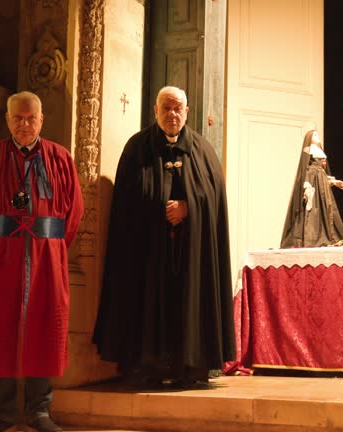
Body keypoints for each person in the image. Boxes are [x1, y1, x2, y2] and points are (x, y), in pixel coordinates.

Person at [92, 86, 235, 388]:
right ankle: (148, 366)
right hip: (148, 252)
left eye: (177, 108)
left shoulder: (203, 152)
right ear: (155, 111)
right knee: (148, 299)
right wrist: (158, 208)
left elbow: (213, 201)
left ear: (187, 111)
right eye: (166, 108)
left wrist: (188, 207)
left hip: (191, 253)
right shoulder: (136, 149)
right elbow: (126, 204)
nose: (172, 114)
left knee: (189, 299)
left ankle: (190, 367)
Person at [0, 91, 84, 432]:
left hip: (48, 258)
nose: (25, 124)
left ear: (42, 120)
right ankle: (1, 414)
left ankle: (38, 411)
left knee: (45, 328)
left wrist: (53, 248)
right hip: (0, 256)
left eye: (31, 117)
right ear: (7, 119)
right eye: (18, 117)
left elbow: (74, 212)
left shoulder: (60, 158)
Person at [281, 130, 343, 248]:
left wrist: (333, 181)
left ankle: (329, 237)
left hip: (321, 181)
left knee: (327, 207)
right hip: (312, 181)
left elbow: (321, 174)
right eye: (315, 135)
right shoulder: (309, 150)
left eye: (317, 134)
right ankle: (312, 239)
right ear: (309, 137)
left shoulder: (319, 152)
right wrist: (306, 184)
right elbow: (305, 168)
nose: (317, 137)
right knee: (313, 209)